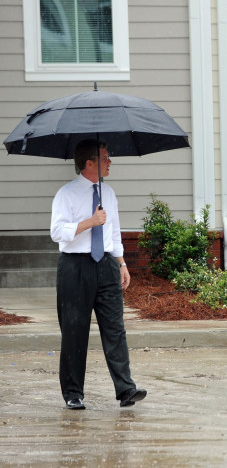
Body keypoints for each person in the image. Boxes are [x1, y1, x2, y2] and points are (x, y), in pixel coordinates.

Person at [50, 139, 147, 410]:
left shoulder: (110, 193)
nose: (110, 162)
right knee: (74, 331)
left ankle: (126, 389)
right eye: (105, 158)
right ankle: (73, 393)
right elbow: (57, 232)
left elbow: (113, 232)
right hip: (74, 267)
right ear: (89, 163)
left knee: (115, 329)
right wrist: (90, 222)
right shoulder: (66, 194)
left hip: (105, 264)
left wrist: (122, 263)